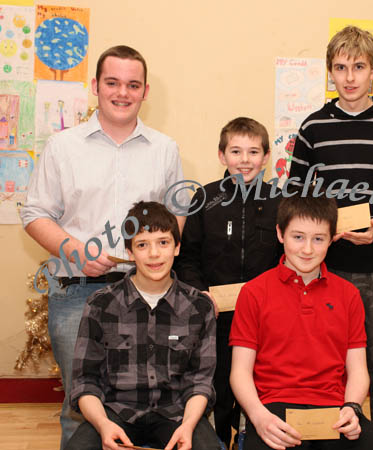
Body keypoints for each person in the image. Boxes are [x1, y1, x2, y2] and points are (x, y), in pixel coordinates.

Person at [20, 45, 186, 448]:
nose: (122, 93)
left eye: (132, 85)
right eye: (112, 83)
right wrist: (75, 250)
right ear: (95, 86)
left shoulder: (165, 149)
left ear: (145, 91)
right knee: (81, 406)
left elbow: (177, 216)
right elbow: (35, 213)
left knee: (147, 399)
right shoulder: (63, 146)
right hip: (77, 292)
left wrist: (155, 259)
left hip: (146, 292)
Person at [288, 25, 373, 449]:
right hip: (324, 277)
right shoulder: (313, 128)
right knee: (324, 380)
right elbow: (295, 199)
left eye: (359, 67)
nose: (350, 77)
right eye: (341, 68)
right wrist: (319, 235)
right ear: (330, 72)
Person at [229, 192, 373, 450]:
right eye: (298, 237)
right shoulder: (254, 292)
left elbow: (358, 369)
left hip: (335, 409)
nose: (307, 249)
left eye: (318, 239)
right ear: (280, 234)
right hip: (274, 409)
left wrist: (352, 407)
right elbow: (240, 372)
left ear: (331, 239)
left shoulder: (348, 294)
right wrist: (258, 417)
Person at [65, 201, 220, 450]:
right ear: (129, 252)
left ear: (177, 248)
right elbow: (85, 381)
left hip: (177, 412)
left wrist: (188, 426)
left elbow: (200, 381)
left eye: (163, 242)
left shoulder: (199, 306)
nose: (154, 254)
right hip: (115, 410)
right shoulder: (100, 304)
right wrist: (103, 424)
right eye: (142, 245)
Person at [175, 116, 281, 448]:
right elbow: (187, 256)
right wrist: (200, 294)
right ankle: (219, 441)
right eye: (236, 151)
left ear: (265, 157)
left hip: (265, 317)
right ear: (222, 155)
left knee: (260, 386)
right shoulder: (205, 200)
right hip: (217, 317)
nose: (245, 160)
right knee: (219, 388)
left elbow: (287, 255)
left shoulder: (280, 200)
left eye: (253, 151)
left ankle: (250, 440)